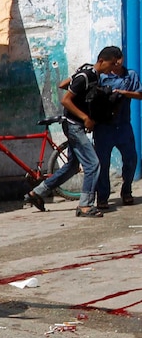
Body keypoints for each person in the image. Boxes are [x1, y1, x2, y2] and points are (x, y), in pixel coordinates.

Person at [24, 46, 122, 217]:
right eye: (112, 63)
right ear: (101, 61)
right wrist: (85, 117)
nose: (113, 67)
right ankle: (85, 206)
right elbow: (66, 100)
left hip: (74, 124)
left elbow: (63, 84)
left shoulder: (88, 72)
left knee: (71, 166)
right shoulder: (87, 75)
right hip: (74, 125)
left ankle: (37, 192)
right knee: (93, 164)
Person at [94, 56, 141, 208]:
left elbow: (140, 94)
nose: (117, 63)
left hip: (123, 126)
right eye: (114, 60)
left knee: (131, 159)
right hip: (103, 127)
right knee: (103, 163)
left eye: (119, 59)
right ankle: (102, 197)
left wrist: (124, 93)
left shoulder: (131, 75)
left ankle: (126, 190)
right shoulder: (100, 76)